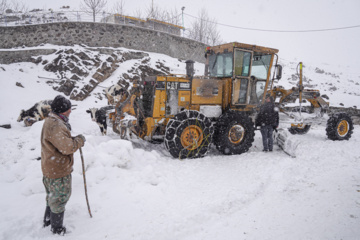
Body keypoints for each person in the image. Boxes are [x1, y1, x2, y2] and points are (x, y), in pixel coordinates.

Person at [41, 95, 86, 235]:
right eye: (68, 109)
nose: (70, 111)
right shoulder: (56, 125)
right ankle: (57, 228)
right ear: (61, 110)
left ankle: (48, 219)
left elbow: (60, 142)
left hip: (50, 167)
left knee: (51, 195)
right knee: (60, 197)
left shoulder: (51, 120)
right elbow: (67, 148)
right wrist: (79, 140)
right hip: (58, 169)